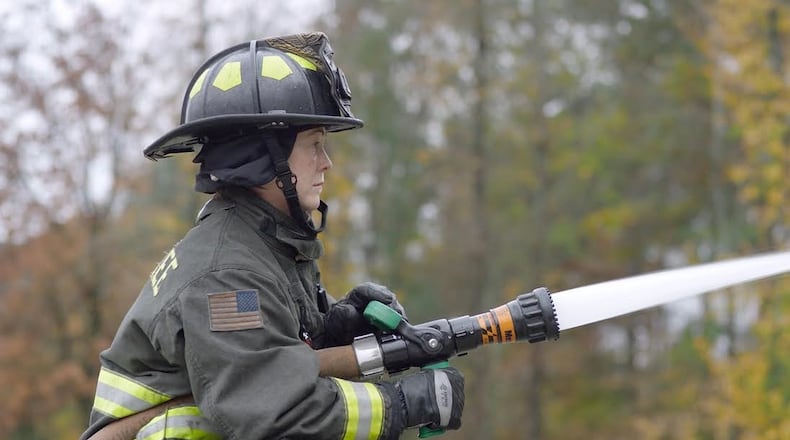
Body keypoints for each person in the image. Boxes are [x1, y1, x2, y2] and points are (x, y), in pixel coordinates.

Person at [80, 32, 465, 440]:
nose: (327, 163)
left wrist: (335, 327)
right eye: (314, 144)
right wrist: (401, 404)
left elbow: (269, 357)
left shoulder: (263, 244)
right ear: (266, 156)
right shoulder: (226, 276)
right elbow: (276, 416)